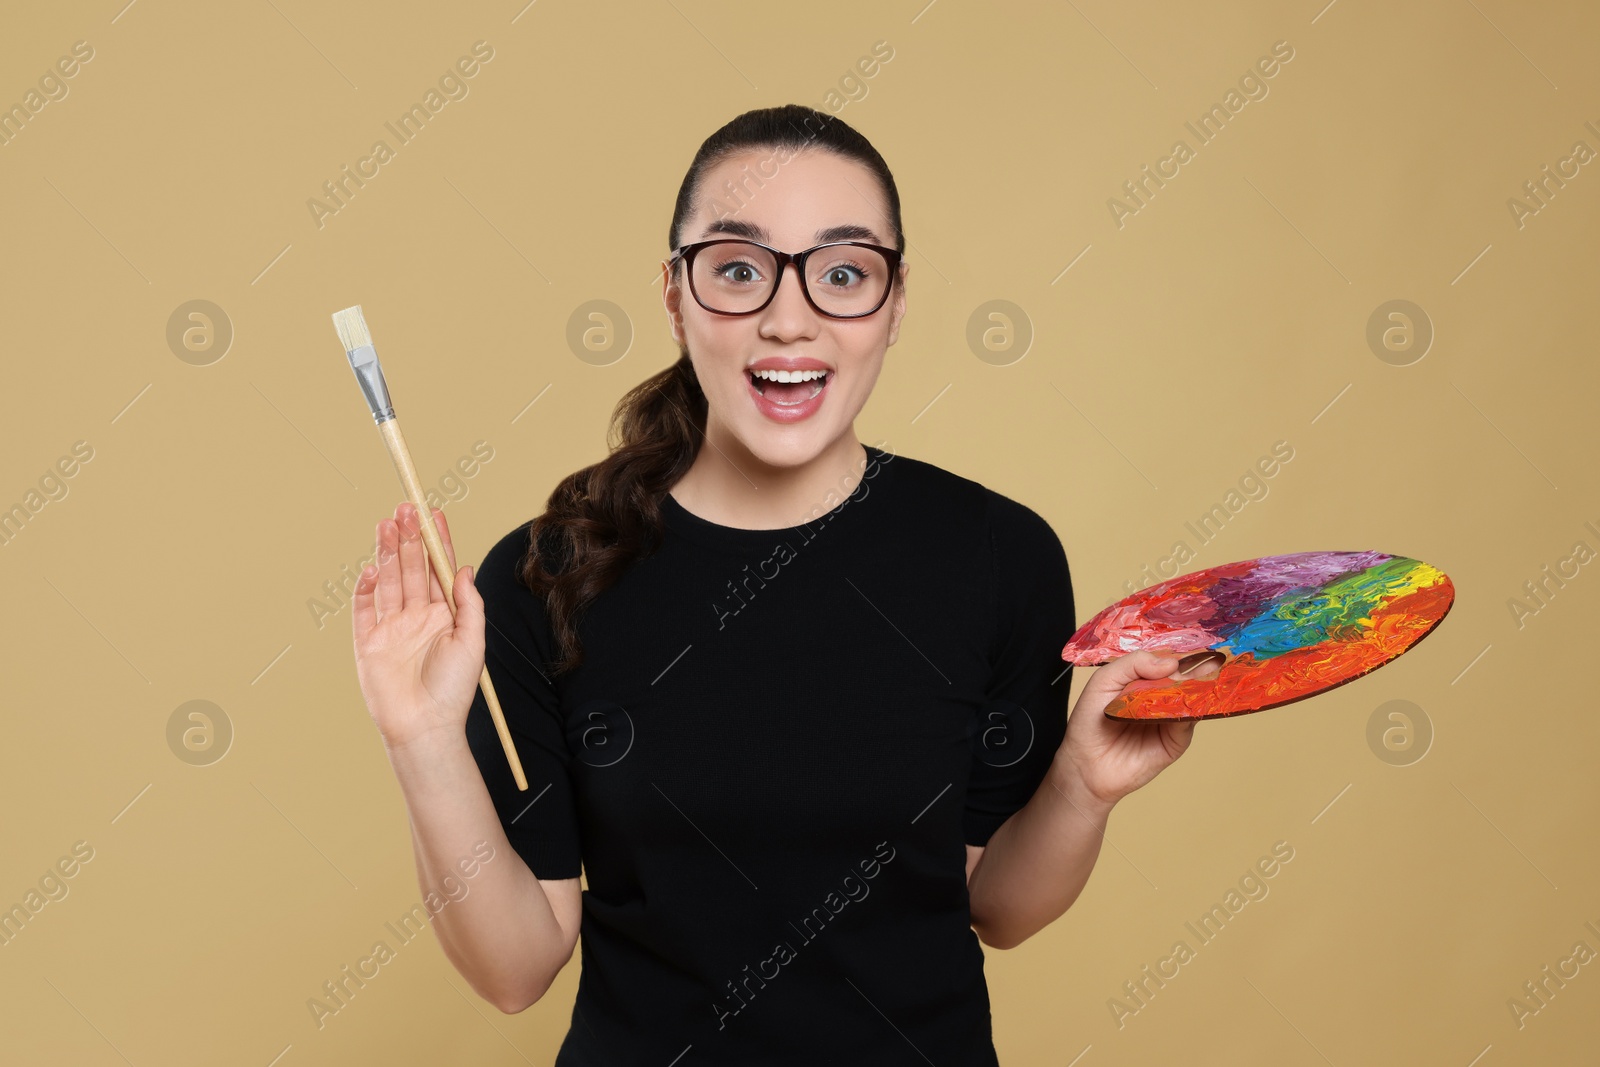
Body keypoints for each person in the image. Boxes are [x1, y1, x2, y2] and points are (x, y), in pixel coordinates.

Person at [350, 103, 1202, 1065]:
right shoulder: (546, 573)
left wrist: (1083, 789)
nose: (788, 318)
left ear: (896, 299)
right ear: (675, 295)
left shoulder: (1000, 555)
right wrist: (421, 740)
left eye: (843, 273)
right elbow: (515, 968)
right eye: (739, 270)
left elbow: (995, 904)